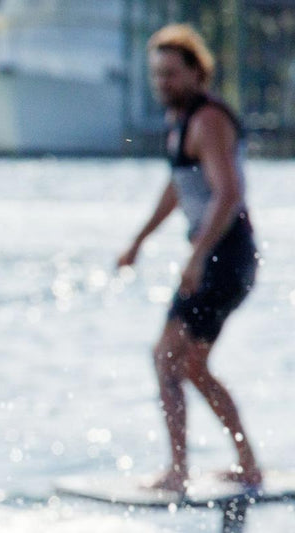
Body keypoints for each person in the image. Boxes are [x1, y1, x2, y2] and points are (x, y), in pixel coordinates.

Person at [118, 24, 261, 493]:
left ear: (198, 73)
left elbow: (228, 193)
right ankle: (246, 464)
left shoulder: (208, 120)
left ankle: (178, 471)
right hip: (218, 257)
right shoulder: (179, 122)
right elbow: (178, 188)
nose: (162, 83)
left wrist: (198, 257)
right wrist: (139, 241)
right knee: (189, 366)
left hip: (227, 257)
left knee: (167, 358)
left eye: (171, 74)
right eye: (157, 74)